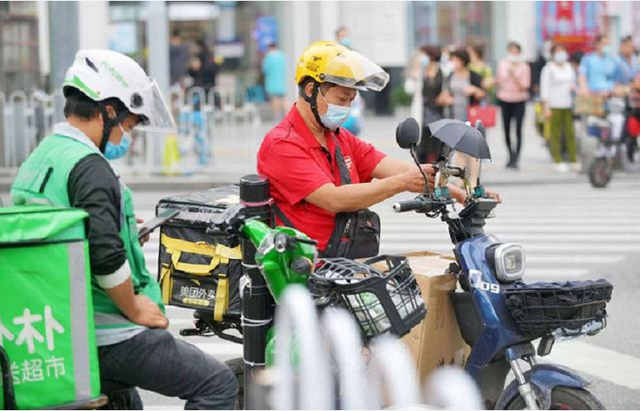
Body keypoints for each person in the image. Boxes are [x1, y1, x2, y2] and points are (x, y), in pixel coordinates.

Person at [10, 50, 238, 409]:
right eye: (129, 125)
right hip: (104, 328)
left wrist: (128, 232)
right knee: (217, 384)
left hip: (64, 325)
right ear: (109, 110)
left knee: (126, 401)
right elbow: (103, 254)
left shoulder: (43, 157)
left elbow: (67, 231)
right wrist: (134, 308)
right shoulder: (89, 167)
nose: (126, 136)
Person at [257, 41, 501, 258]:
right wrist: (402, 183)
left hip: (347, 257)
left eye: (352, 100)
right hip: (311, 267)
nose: (347, 108)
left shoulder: (338, 138)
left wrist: (461, 191)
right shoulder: (282, 144)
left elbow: (394, 168)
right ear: (311, 90)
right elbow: (332, 199)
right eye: (341, 100)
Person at [541, 44, 579, 173]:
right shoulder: (548, 69)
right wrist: (546, 107)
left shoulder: (569, 67)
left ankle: (573, 159)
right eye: (558, 51)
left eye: (562, 51)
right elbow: (545, 89)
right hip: (554, 104)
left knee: (570, 133)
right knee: (556, 133)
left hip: (568, 104)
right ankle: (557, 159)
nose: (561, 54)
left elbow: (574, 83)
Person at [497, 41, 531, 169]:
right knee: (506, 129)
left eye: (516, 51)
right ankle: (510, 154)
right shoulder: (502, 64)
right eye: (511, 51)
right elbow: (500, 81)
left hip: (519, 100)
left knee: (518, 129)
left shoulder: (524, 66)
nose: (513, 54)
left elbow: (525, 86)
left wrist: (514, 74)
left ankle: (516, 157)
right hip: (505, 99)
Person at [440, 48, 485, 123]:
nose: (453, 63)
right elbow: (446, 92)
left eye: (456, 60)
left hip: (470, 114)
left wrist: (474, 90)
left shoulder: (473, 76)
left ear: (463, 61)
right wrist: (446, 98)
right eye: (452, 60)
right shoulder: (451, 75)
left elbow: (482, 94)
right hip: (453, 114)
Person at [262, 42, 287, 119]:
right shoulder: (282, 56)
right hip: (282, 81)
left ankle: (277, 116)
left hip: (272, 82)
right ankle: (287, 114)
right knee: (283, 98)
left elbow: (265, 69)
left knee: (275, 99)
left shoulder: (268, 57)